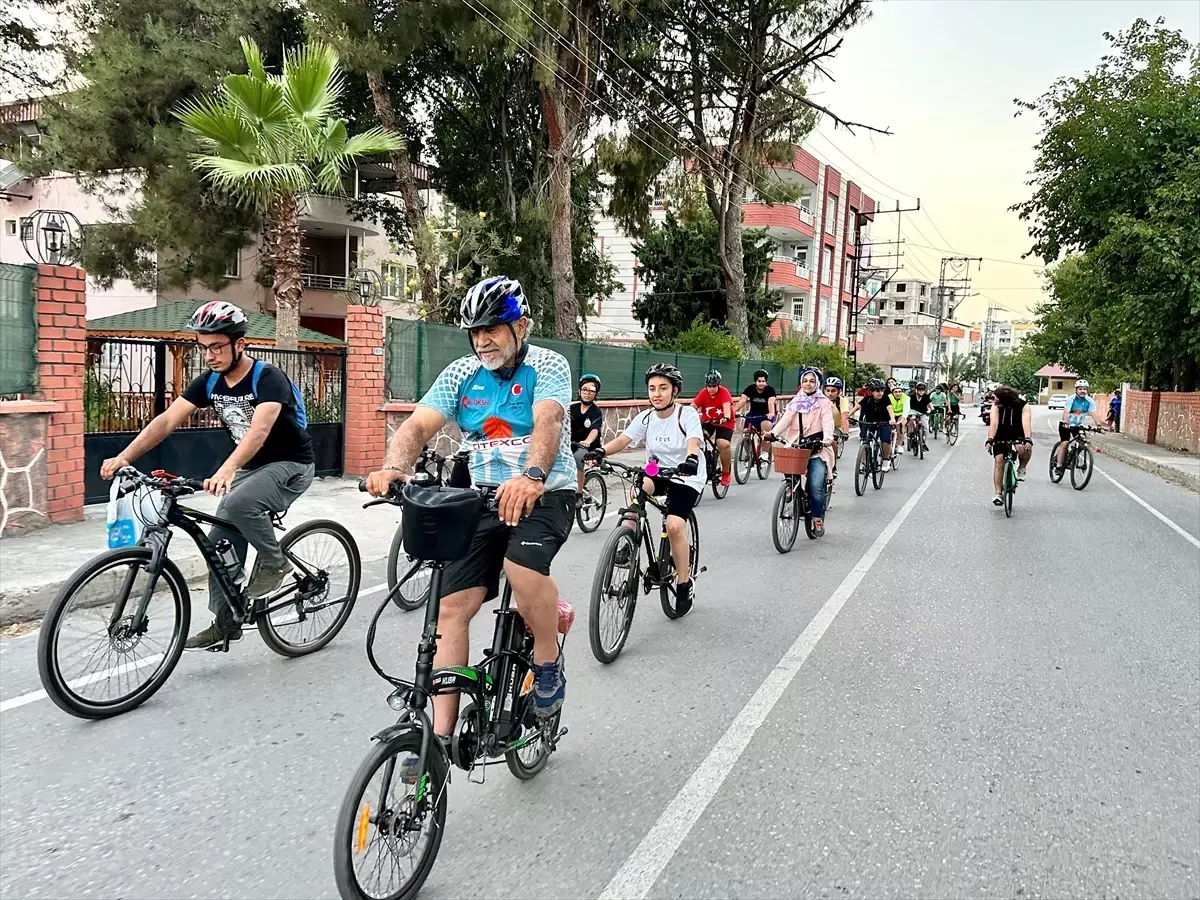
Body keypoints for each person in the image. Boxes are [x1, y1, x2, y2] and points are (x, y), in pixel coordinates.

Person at [364, 276, 574, 734]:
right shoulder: (461, 374)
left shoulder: (547, 365)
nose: (482, 341)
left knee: (521, 569)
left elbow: (549, 419)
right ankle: (438, 737)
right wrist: (395, 466)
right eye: (475, 332)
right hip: (482, 499)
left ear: (520, 326)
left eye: (492, 329)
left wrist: (533, 475)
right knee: (450, 607)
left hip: (548, 493)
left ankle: (547, 663)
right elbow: (417, 427)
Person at [99, 301, 316, 651]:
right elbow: (167, 421)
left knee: (240, 502)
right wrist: (124, 456)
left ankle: (276, 564)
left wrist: (228, 469)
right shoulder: (210, 382)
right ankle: (226, 622)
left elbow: (259, 431)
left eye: (217, 347)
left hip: (291, 466)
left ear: (239, 344)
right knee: (219, 543)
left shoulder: (267, 377)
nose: (210, 355)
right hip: (252, 469)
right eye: (204, 348)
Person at [587, 364, 703, 615]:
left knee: (674, 526)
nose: (656, 394)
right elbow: (624, 440)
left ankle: (684, 583)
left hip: (686, 475)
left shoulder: (686, 415)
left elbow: (693, 441)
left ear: (675, 391)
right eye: (652, 389)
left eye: (663, 388)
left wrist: (692, 458)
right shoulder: (646, 417)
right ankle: (628, 542)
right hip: (656, 469)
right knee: (637, 488)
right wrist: (600, 451)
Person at [769, 368, 835, 536]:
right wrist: (773, 433)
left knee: (815, 486)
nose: (808, 384)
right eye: (805, 380)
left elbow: (828, 422)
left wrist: (828, 438)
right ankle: (792, 489)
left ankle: (817, 518)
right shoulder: (795, 402)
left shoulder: (824, 402)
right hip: (796, 447)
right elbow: (785, 420)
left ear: (817, 383)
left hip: (817, 448)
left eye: (812, 381)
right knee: (790, 475)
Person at [985, 385, 1033, 504]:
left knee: (1025, 449)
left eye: (996, 398)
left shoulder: (1024, 405)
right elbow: (994, 424)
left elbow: (1026, 422)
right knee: (999, 461)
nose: (994, 400)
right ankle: (998, 494)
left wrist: (1027, 438)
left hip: (1018, 433)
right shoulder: (996, 407)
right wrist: (990, 439)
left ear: (1004, 399)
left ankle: (1022, 467)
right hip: (1001, 433)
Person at [693, 369, 734, 487]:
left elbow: (727, 407)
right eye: (709, 386)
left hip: (724, 422)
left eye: (714, 386)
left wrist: (725, 417)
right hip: (709, 421)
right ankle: (701, 463)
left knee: (722, 444)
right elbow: (693, 406)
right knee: (697, 438)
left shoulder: (724, 392)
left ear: (718, 384)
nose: (711, 388)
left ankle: (726, 472)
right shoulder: (703, 393)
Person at [1055, 379, 1105, 473]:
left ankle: (1073, 456)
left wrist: (1099, 426)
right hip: (1066, 424)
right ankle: (1059, 465)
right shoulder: (1071, 399)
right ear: (1076, 390)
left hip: (1078, 426)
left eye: (1085, 389)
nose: (1083, 391)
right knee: (1065, 443)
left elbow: (1094, 414)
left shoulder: (1089, 401)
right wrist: (1065, 422)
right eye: (1080, 389)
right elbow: (1066, 412)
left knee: (1082, 443)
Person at [848, 378, 897, 471]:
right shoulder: (867, 399)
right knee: (864, 440)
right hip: (870, 422)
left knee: (885, 439)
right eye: (877, 391)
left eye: (882, 390)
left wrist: (892, 419)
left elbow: (890, 408)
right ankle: (864, 463)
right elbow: (857, 407)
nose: (880, 393)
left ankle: (886, 460)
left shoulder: (886, 398)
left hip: (884, 422)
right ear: (871, 391)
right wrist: (848, 416)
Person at [570, 373, 604, 501]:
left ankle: (578, 493)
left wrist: (587, 441)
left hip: (588, 448)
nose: (587, 393)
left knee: (578, 457)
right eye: (584, 389)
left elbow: (595, 430)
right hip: (571, 444)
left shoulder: (595, 412)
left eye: (592, 390)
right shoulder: (572, 408)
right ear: (579, 391)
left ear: (596, 394)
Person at [736, 369, 778, 462]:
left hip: (766, 415)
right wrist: (732, 411)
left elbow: (771, 402)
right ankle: (749, 454)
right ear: (755, 381)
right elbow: (742, 400)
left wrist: (771, 413)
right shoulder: (750, 389)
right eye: (759, 381)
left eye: (763, 381)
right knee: (746, 433)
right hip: (753, 415)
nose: (761, 383)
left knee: (765, 430)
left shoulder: (770, 390)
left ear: (766, 382)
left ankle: (764, 453)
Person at [907, 382, 933, 451]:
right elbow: (907, 406)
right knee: (912, 421)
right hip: (913, 411)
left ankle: (924, 443)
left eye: (922, 390)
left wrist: (931, 410)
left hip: (923, 413)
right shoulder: (911, 396)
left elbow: (930, 406)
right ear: (916, 390)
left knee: (926, 427)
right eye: (919, 389)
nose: (921, 391)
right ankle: (910, 436)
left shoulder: (926, 396)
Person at [887, 383, 908, 454]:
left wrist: (900, 421)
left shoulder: (906, 398)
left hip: (901, 415)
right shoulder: (888, 397)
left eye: (900, 391)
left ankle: (899, 445)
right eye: (895, 392)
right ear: (892, 392)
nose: (898, 393)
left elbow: (905, 412)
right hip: (890, 414)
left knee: (901, 424)